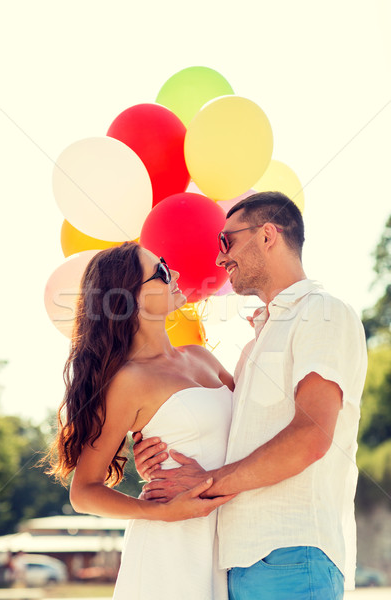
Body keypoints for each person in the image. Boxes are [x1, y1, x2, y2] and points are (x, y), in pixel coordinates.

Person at [134, 192, 368, 600]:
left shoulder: (322, 311)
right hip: (241, 562)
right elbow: (231, 436)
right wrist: (163, 450)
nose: (220, 259)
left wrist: (204, 481)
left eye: (226, 241)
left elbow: (311, 437)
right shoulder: (260, 339)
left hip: (293, 555)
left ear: (267, 235)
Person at [46, 242, 235, 600]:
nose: (176, 275)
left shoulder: (201, 357)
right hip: (170, 552)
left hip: (227, 544)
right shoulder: (126, 382)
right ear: (129, 298)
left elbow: (251, 425)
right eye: (162, 272)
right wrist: (158, 512)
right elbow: (83, 491)